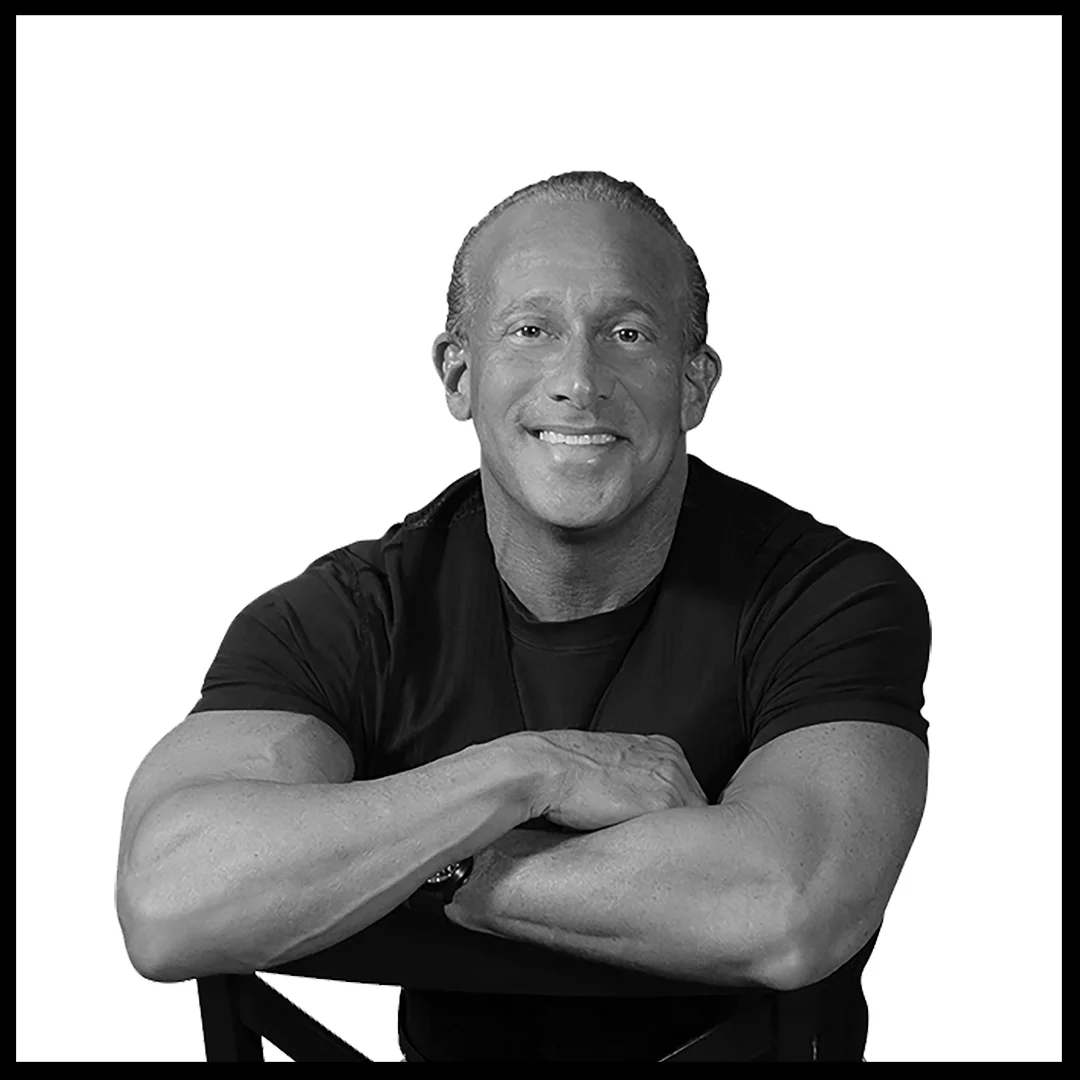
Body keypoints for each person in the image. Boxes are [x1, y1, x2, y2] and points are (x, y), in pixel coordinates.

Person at [116, 171, 929, 1062]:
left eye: (627, 334)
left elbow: (787, 910)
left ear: (694, 383)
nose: (579, 381)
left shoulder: (828, 597)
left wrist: (428, 859)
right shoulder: (351, 615)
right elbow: (170, 900)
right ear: (459, 372)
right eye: (531, 331)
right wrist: (528, 773)